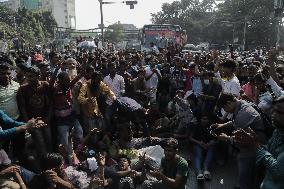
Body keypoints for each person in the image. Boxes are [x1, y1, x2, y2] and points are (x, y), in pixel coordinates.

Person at [213, 93, 267, 189]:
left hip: (254, 147)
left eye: (224, 108)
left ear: (229, 103)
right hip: (254, 139)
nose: (225, 111)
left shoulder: (243, 114)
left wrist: (226, 138)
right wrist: (223, 125)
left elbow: (240, 141)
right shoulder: (242, 104)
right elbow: (235, 121)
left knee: (243, 163)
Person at [234, 96, 284, 189]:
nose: (273, 114)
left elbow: (278, 171)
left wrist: (255, 145)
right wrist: (254, 141)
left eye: (279, 112)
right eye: (273, 110)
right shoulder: (278, 131)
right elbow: (268, 148)